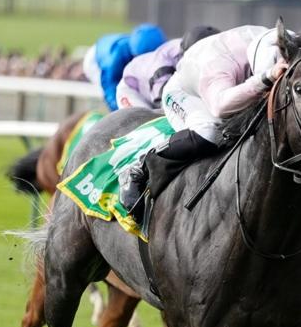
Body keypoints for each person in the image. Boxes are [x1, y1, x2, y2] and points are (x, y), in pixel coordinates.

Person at [117, 24, 289, 215]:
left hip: (232, 83)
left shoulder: (272, 40)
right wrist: (264, 79)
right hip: (188, 92)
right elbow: (220, 107)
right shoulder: (218, 65)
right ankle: (138, 169)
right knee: (210, 132)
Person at [114, 25, 219, 110]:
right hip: (134, 90)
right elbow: (165, 103)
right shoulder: (162, 64)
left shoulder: (190, 46)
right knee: (150, 124)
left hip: (157, 82)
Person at [82, 24, 167, 111]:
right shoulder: (115, 59)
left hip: (115, 45)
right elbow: (110, 88)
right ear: (135, 54)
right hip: (95, 62)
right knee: (119, 96)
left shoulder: (160, 50)